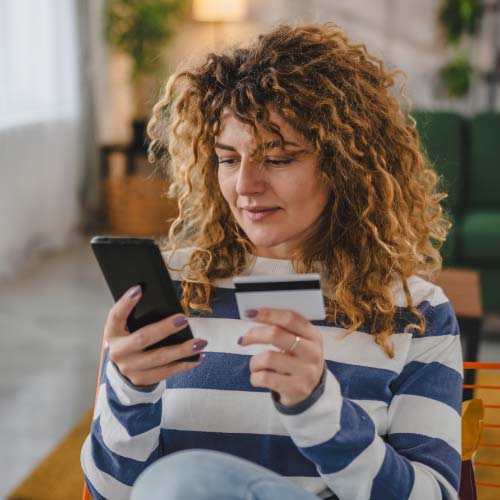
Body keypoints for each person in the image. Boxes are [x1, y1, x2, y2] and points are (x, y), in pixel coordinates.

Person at [81, 23, 463, 500]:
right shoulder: (173, 287)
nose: (245, 186)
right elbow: (110, 493)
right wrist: (131, 391)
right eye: (227, 159)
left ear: (344, 166)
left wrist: (322, 413)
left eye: (278, 159)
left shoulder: (416, 315)